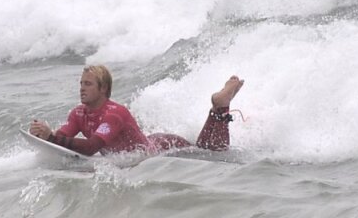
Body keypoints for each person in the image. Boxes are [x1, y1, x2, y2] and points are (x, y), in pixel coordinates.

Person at [28, 65, 243, 156]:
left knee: (211, 153)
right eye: (81, 83)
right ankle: (219, 105)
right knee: (207, 149)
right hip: (150, 141)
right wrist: (45, 135)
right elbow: (63, 137)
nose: (82, 88)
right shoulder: (78, 113)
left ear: (103, 89)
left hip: (162, 148)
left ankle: (221, 105)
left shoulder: (114, 114)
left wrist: (52, 138)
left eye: (88, 84)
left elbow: (92, 147)